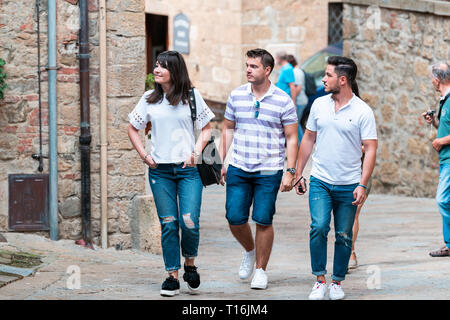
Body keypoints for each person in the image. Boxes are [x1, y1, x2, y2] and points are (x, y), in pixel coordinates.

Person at [128, 51, 215, 297]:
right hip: (160, 171)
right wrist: (144, 155)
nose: (156, 70)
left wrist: (196, 152)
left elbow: (206, 129)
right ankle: (172, 276)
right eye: (156, 65)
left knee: (189, 222)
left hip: (189, 171)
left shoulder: (191, 96)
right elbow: (132, 129)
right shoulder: (148, 99)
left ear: (174, 71)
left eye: (162, 67)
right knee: (169, 224)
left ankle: (190, 264)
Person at [295, 56, 377, 300]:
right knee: (318, 227)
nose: (323, 79)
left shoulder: (363, 110)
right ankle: (320, 280)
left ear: (342, 80)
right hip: (320, 179)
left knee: (343, 234)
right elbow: (308, 138)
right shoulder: (319, 104)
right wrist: (299, 173)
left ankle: (337, 282)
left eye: (328, 75)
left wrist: (362, 183)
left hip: (349, 183)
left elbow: (371, 148)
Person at [219, 48, 298, 290]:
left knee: (263, 219)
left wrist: (290, 171)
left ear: (267, 69)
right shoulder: (236, 95)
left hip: (269, 169)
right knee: (234, 217)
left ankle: (261, 270)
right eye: (247, 65)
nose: (248, 70)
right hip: (239, 166)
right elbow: (228, 128)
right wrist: (222, 160)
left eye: (253, 66)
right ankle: (250, 251)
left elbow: (292, 137)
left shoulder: (283, 100)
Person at [422, 62, 450, 257]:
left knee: (442, 200)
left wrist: (440, 141)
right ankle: (448, 243)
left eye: (432, 78)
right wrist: (435, 123)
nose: (431, 81)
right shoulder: (444, 101)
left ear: (437, 79)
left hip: (449, 159)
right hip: (444, 159)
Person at [348, 146, 373, 270]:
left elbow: (369, 147)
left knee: (353, 213)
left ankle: (350, 251)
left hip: (360, 173)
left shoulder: (365, 125)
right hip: (335, 171)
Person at [286, 54, 309, 144]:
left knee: (295, 124)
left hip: (299, 101)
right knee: (296, 123)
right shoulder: (298, 70)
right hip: (301, 100)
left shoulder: (296, 72)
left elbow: (298, 88)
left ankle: (301, 144)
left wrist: (293, 102)